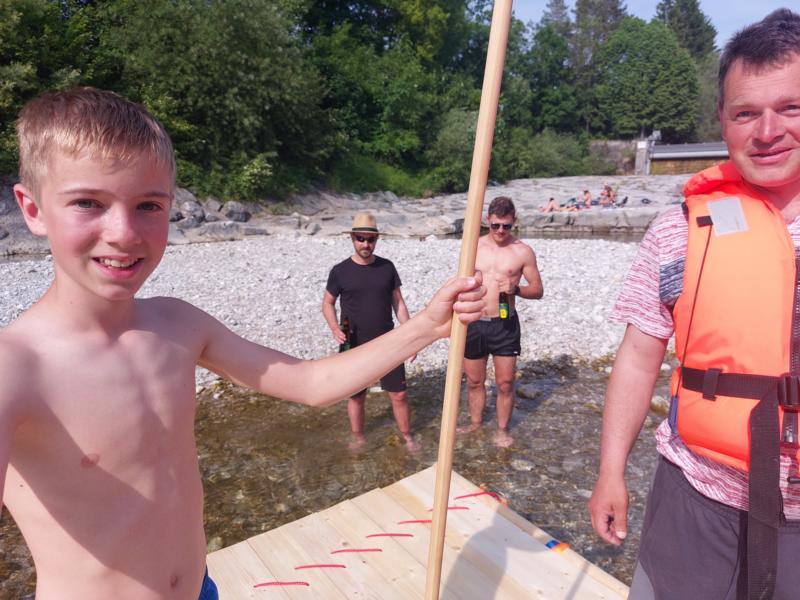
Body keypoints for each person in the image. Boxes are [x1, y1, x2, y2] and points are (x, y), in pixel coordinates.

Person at [0, 87, 485, 600]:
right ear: (32, 209)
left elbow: (311, 383)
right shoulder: (17, 369)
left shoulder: (178, 325)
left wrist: (428, 325)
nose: (123, 232)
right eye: (87, 203)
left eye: (148, 205)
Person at [588, 10, 800, 600]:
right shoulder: (677, 230)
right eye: (745, 113)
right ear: (723, 122)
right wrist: (611, 471)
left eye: (790, 108)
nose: (767, 131)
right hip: (695, 497)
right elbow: (637, 357)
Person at [322, 213, 418, 451]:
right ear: (352, 239)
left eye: (370, 239)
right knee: (356, 396)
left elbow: (399, 304)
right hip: (353, 342)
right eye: (360, 238)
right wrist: (334, 328)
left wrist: (412, 338)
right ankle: (358, 437)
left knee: (399, 395)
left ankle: (407, 436)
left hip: (389, 341)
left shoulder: (387, 267)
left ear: (377, 240)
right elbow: (327, 303)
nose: (365, 244)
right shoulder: (340, 271)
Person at [460, 196, 543, 447]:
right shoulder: (472, 247)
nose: (500, 231)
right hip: (474, 321)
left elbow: (538, 290)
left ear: (514, 222)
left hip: (504, 323)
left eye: (506, 226)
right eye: (495, 225)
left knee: (505, 383)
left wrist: (516, 289)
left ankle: (502, 430)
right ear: (488, 220)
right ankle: (475, 425)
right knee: (474, 381)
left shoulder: (522, 251)